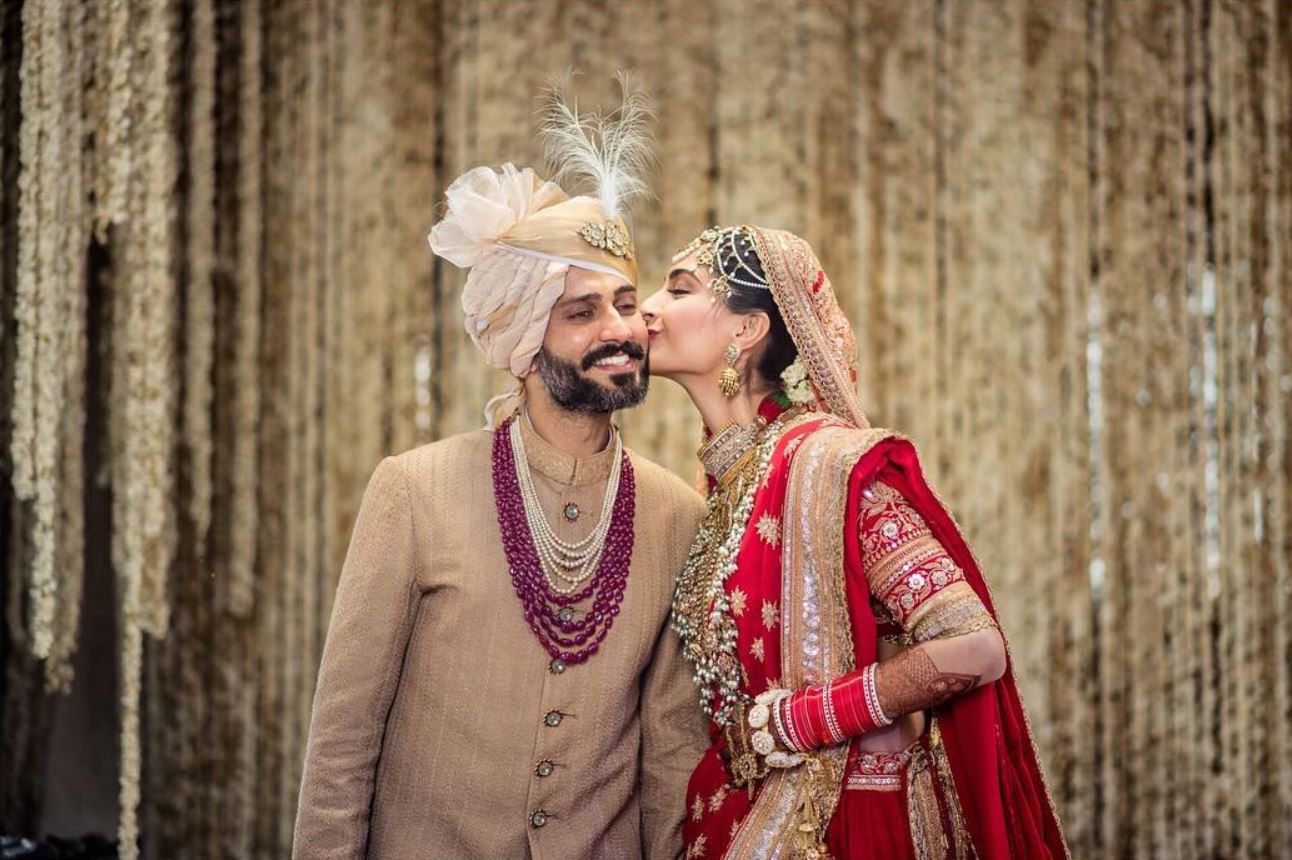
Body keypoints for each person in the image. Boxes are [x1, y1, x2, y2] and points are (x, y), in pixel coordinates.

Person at [293, 79, 708, 860]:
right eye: (581, 312)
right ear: (521, 344)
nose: (620, 329)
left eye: (625, 303)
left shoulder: (676, 515)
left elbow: (673, 751)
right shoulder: (414, 491)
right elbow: (343, 739)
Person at [639, 225, 1069, 859]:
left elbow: (974, 648)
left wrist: (803, 720)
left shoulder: (827, 466)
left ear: (746, 329)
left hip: (843, 827)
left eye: (679, 288)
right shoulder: (725, 489)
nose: (647, 305)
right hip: (740, 821)